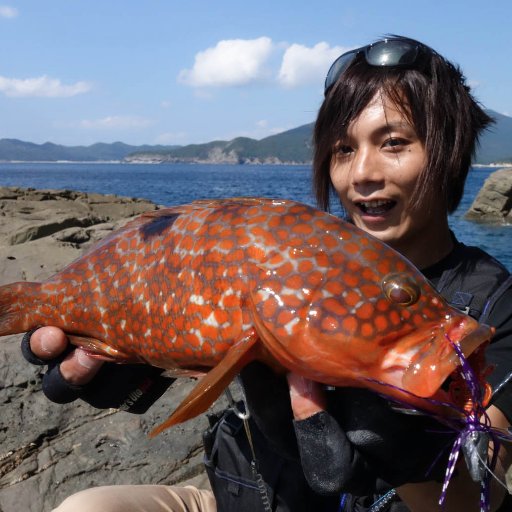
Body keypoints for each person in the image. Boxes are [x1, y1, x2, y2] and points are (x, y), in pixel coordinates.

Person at [22, 35, 512, 511]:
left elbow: (481, 491)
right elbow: (194, 335)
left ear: (450, 150)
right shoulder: (295, 260)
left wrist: (416, 468)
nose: (362, 172)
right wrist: (133, 370)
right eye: (342, 149)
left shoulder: (494, 304)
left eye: (394, 142)